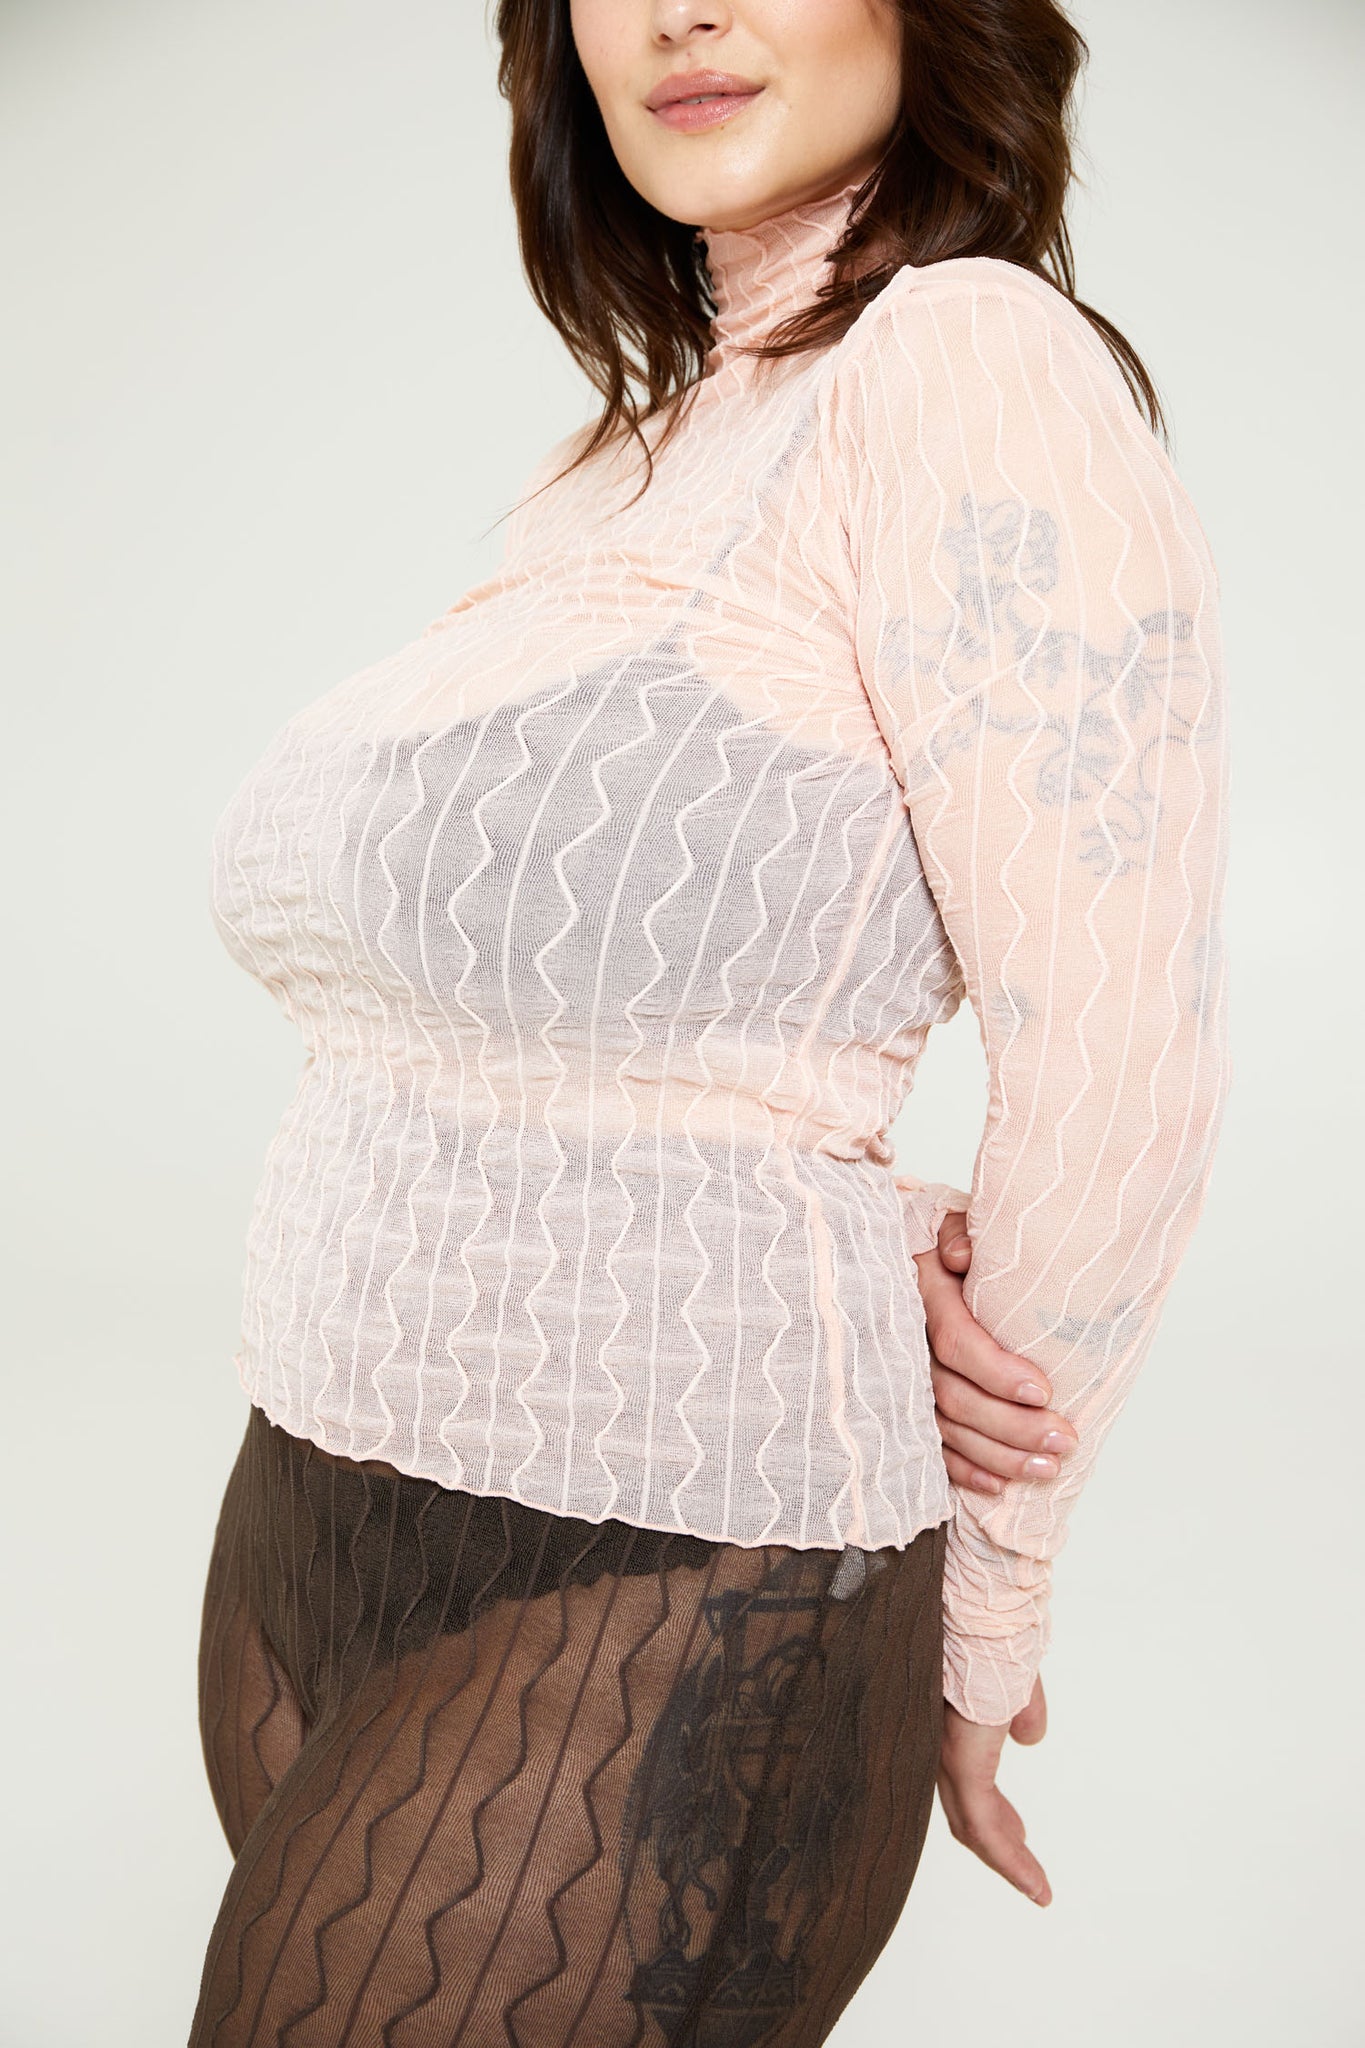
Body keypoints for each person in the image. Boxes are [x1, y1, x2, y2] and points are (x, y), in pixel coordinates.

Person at [189, 0, 1230, 2038]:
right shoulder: (620, 456)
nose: (679, 7)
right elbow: (604, 1023)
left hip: (682, 1559)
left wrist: (988, 1606)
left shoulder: (966, 358)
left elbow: (1118, 1053)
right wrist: (830, 1192)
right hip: (311, 1493)